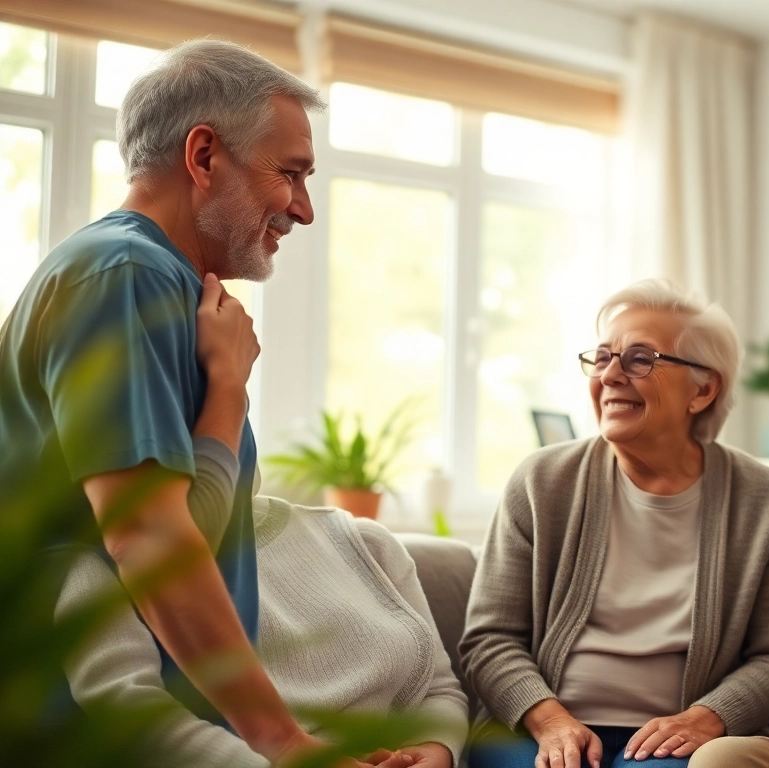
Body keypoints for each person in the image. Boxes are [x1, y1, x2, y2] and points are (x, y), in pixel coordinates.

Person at [0, 39, 334, 764]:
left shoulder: (163, 287)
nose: (304, 210)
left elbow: (188, 531)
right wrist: (283, 742)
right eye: (290, 174)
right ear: (204, 156)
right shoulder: (122, 273)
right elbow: (149, 541)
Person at [55, 280, 468, 768]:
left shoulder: (362, 540)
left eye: (214, 387)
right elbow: (135, 720)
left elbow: (439, 688)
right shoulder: (90, 569)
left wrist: (434, 752)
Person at [460, 279, 769, 768]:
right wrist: (551, 721)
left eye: (640, 359)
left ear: (702, 390)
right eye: (603, 357)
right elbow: (489, 639)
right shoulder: (542, 481)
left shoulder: (765, 500)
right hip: (538, 730)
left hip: (680, 740)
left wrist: (706, 717)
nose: (610, 375)